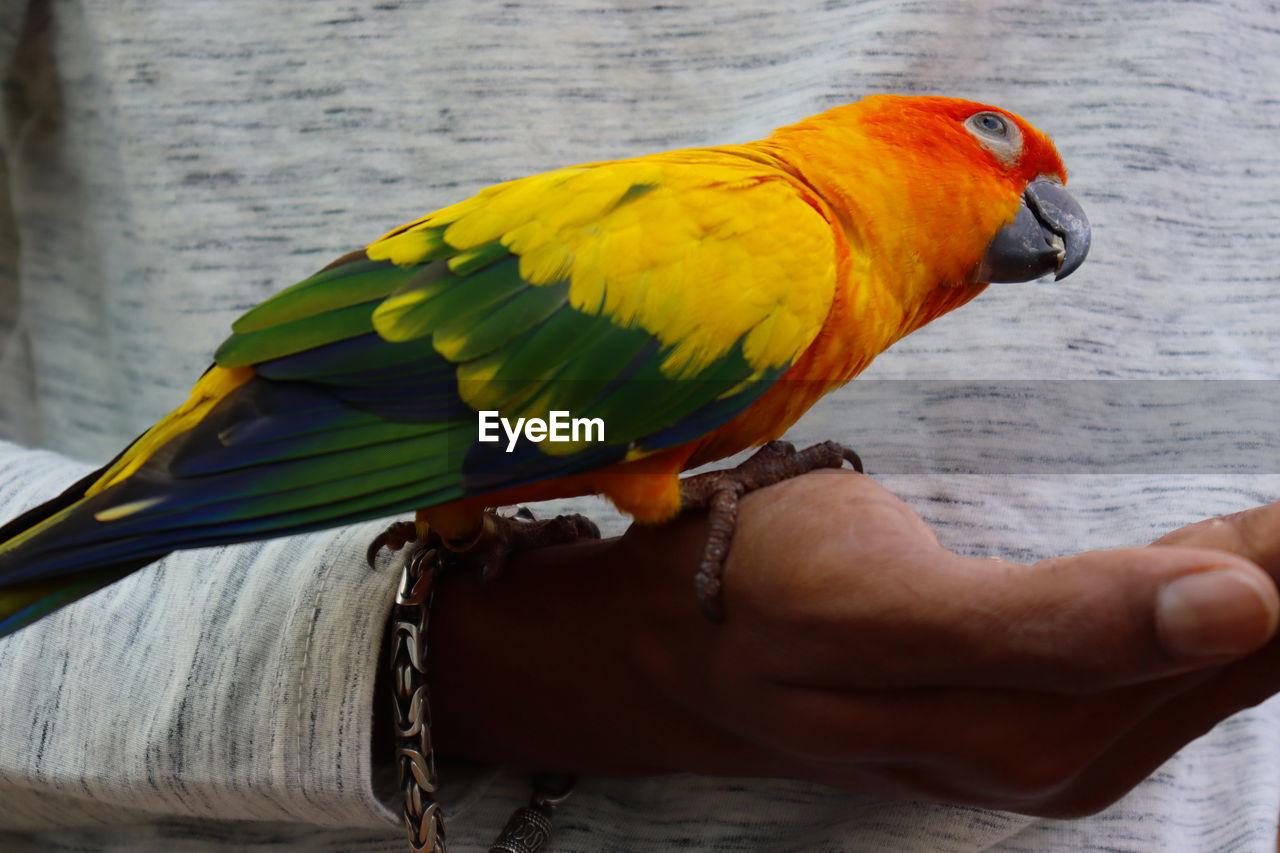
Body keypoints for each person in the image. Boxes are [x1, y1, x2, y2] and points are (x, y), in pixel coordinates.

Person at [3, 0, 1280, 850]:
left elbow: (552, 432)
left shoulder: (822, 285)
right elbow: (532, 428)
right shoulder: (778, 246)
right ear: (891, 148)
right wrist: (520, 650)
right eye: (998, 146)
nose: (1038, 200)